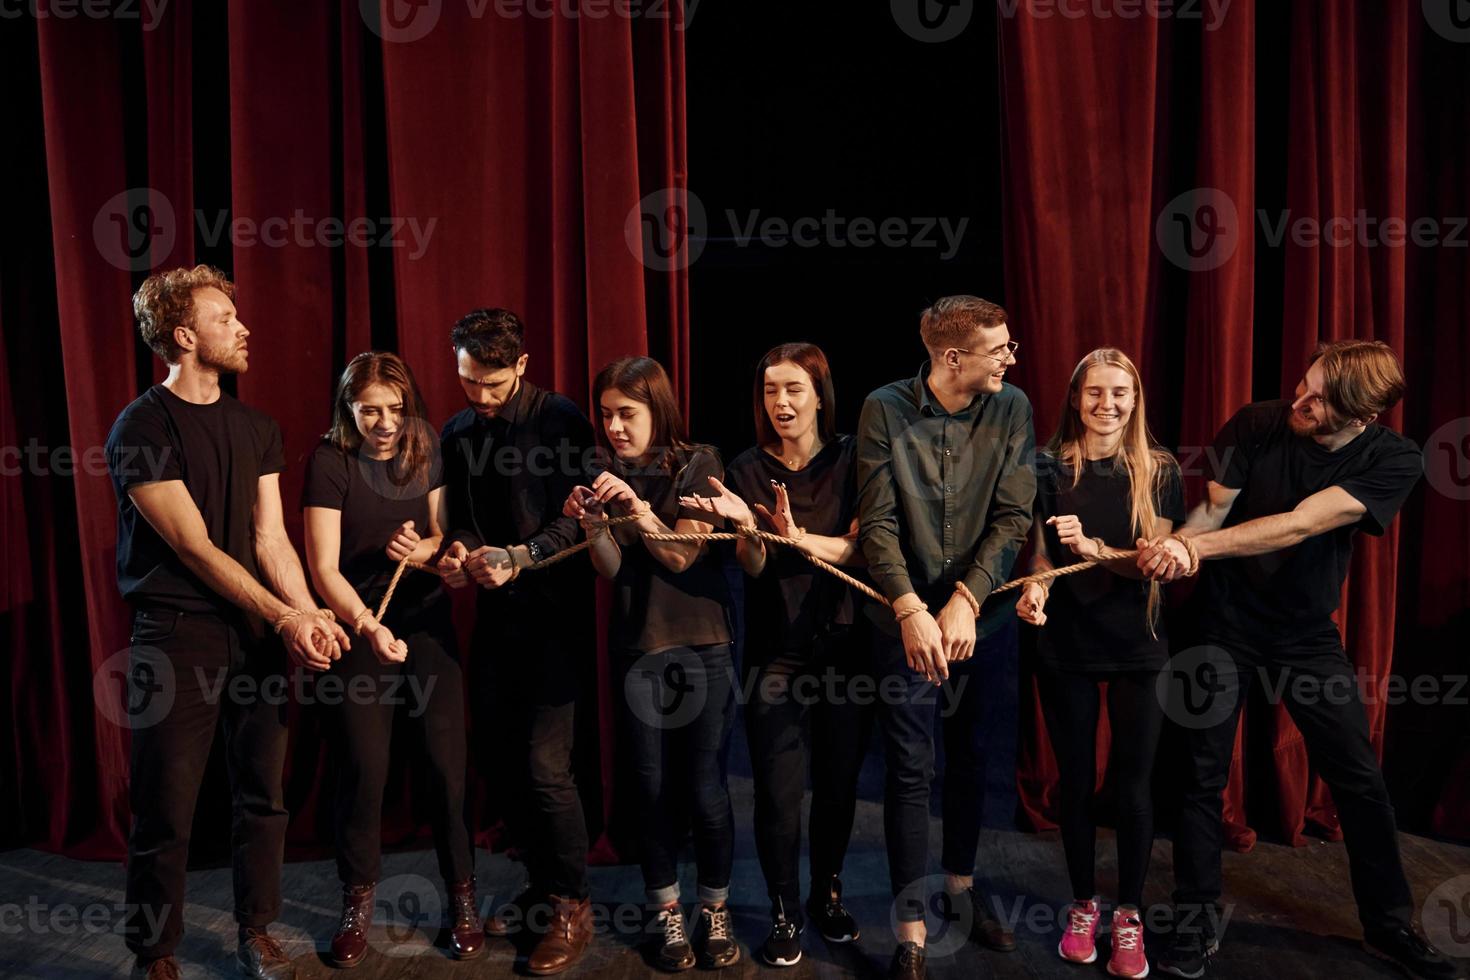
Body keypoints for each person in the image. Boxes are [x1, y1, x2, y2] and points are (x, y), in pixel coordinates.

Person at [1135, 340, 1460, 980]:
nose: (1300, 401)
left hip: (1307, 635)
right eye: (1304, 385)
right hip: (1223, 624)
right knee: (1202, 775)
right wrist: (1177, 543)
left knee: (1359, 778)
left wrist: (1198, 551)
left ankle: (1389, 924)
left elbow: (1300, 523)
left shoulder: (1394, 459)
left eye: (1318, 400)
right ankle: (1197, 917)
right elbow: (1212, 509)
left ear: (1362, 418)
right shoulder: (1259, 422)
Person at [105, 265, 350, 980]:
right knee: (165, 805)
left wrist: (306, 616)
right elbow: (193, 546)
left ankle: (258, 931)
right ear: (184, 336)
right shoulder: (141, 426)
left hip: (254, 637)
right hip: (177, 634)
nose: (242, 328)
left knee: (262, 797)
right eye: (224, 319)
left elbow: (270, 539)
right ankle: (154, 953)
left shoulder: (258, 426)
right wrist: (287, 617)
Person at [856, 295, 1036, 979]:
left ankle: (961, 890)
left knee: (973, 758)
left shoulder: (1011, 407)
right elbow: (876, 522)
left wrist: (966, 599)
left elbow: (1015, 514)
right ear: (952, 357)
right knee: (908, 771)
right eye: (1001, 348)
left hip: (981, 618)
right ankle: (910, 929)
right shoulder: (884, 407)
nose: (1012, 358)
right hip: (902, 620)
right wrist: (909, 607)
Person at [679, 343, 873, 967]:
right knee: (778, 791)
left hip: (846, 647)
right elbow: (756, 567)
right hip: (777, 656)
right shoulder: (745, 469)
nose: (781, 402)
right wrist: (748, 529)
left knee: (839, 785)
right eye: (770, 390)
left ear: (820, 393)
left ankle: (828, 894)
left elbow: (861, 552)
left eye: (793, 389)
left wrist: (797, 537)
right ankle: (785, 908)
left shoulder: (853, 459)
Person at [301, 352, 480, 966]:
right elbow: (322, 568)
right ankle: (357, 902)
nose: (384, 423)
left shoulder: (425, 443)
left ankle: (462, 899)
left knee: (444, 763)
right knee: (364, 766)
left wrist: (431, 550)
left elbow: (442, 537)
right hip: (358, 622)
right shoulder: (330, 461)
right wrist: (367, 626)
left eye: (396, 410)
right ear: (349, 408)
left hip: (425, 619)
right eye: (370, 410)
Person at [563, 356, 741, 972]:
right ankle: (668, 914)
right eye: (606, 414)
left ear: (656, 410)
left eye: (627, 414)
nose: (613, 426)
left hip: (702, 646)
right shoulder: (604, 470)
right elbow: (610, 570)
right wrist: (593, 525)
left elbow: (682, 557)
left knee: (705, 789)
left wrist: (637, 510)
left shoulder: (698, 462)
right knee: (649, 788)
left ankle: (714, 910)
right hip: (638, 647)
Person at [435, 309, 598, 975]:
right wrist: (463, 552)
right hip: (498, 620)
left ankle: (572, 903)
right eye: (469, 382)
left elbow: (580, 521)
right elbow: (467, 522)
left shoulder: (560, 419)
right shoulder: (457, 430)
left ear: (523, 365)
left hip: (556, 616)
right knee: (502, 761)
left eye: (493, 384)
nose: (480, 396)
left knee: (543, 765)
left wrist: (520, 555)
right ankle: (539, 882)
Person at [1015, 349, 1183, 978]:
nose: (1106, 404)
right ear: (1075, 398)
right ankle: (1084, 905)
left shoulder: (1159, 470)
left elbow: (1154, 562)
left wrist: (1092, 547)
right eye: (1093, 393)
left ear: (1135, 400)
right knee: (1077, 782)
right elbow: (1039, 556)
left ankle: (1129, 914)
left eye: (1119, 393)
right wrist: (1036, 588)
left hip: (1139, 644)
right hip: (1068, 646)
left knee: (1135, 786)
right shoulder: (1046, 466)